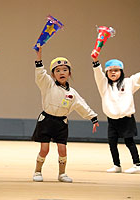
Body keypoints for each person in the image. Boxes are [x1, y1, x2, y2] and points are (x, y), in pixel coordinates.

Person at [32, 45, 99, 183]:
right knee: (44, 149)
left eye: (64, 69)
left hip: (61, 123)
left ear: (69, 73)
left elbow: (82, 105)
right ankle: (37, 171)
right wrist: (38, 57)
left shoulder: (72, 93)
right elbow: (40, 73)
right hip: (46, 121)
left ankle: (62, 174)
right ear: (53, 74)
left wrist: (93, 117)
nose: (61, 72)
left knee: (62, 150)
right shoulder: (48, 84)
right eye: (57, 70)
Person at [91, 55, 140, 174]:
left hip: (126, 119)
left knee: (129, 142)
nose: (113, 73)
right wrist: (95, 62)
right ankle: (116, 165)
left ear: (121, 71)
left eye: (116, 70)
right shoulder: (104, 85)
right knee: (112, 143)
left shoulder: (128, 82)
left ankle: (137, 164)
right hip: (112, 120)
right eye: (110, 71)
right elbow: (98, 74)